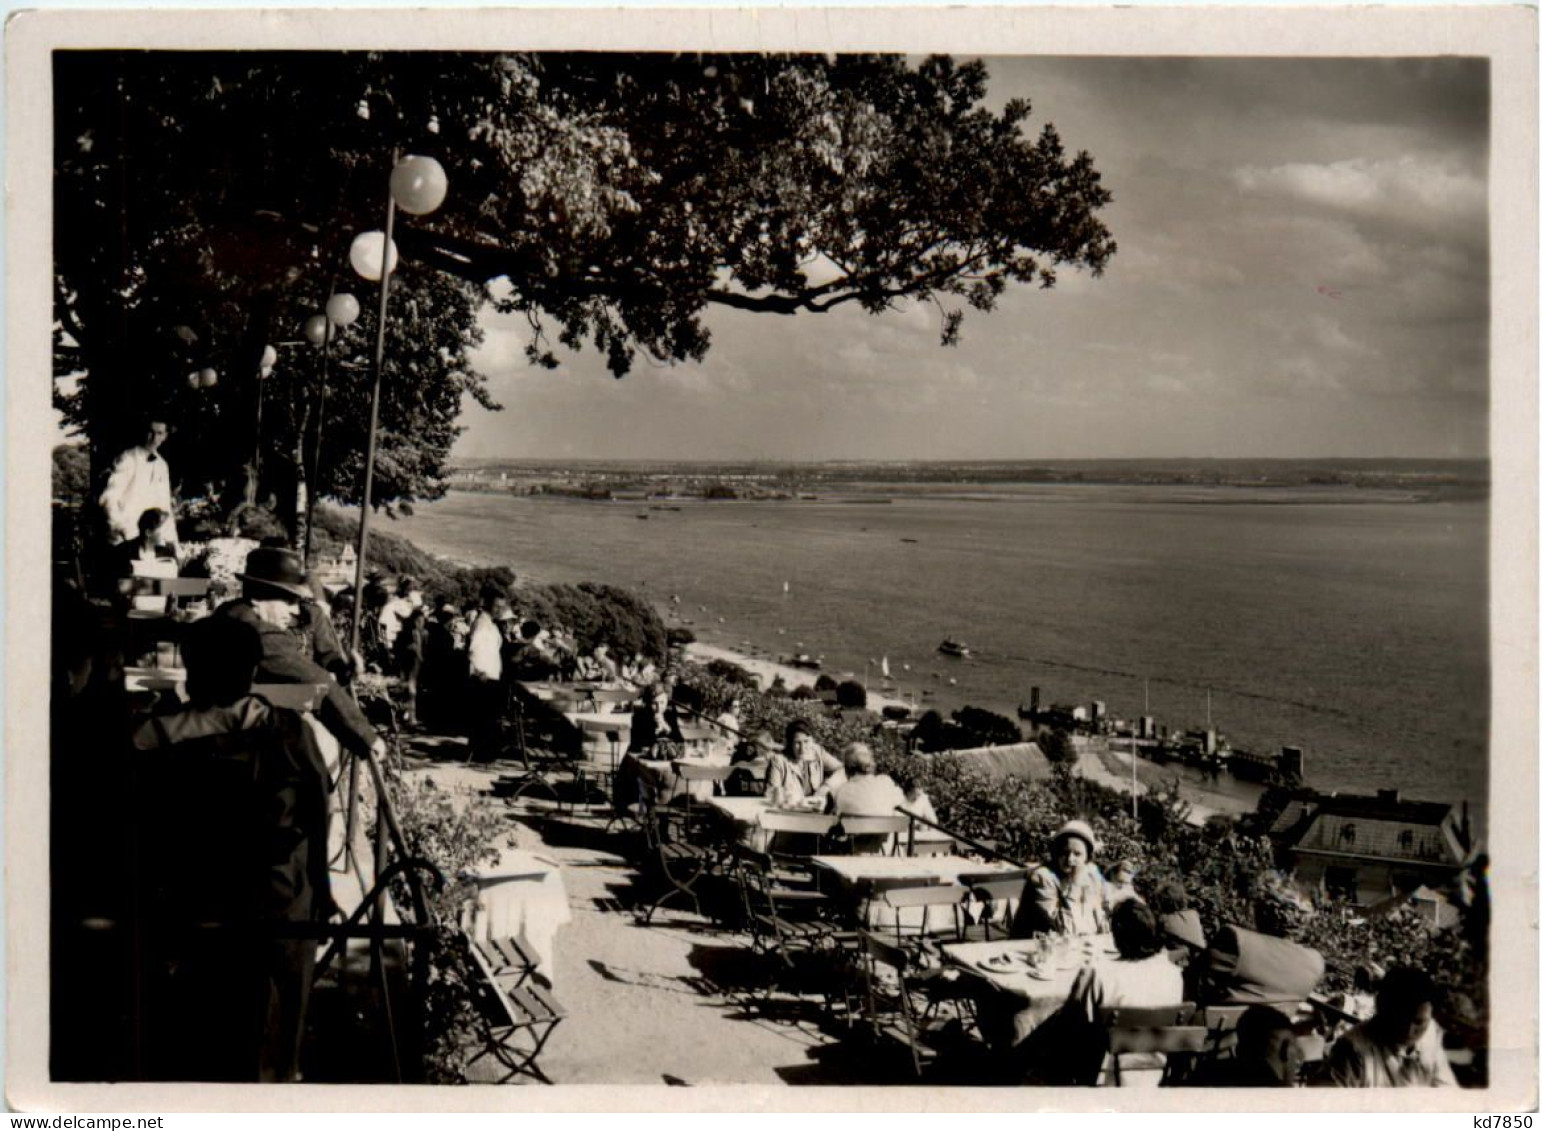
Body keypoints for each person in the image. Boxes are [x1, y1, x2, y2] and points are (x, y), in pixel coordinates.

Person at [129, 615, 330, 1082]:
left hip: (190, 899)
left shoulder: (152, 737)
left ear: (191, 672)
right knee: (277, 1012)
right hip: (275, 901)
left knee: (199, 1024)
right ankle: (282, 1072)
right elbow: (318, 816)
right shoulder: (290, 733)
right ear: (253, 672)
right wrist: (321, 889)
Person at [212, 547, 385, 766]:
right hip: (238, 739)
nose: (295, 611)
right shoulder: (260, 632)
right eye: (288, 601)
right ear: (259, 598)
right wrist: (368, 739)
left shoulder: (229, 612)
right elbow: (317, 681)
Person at [1023, 899, 1186, 1084]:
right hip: (1155, 1070)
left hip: (1105, 1072)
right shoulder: (1173, 973)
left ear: (1117, 937)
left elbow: (1075, 1024)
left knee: (1046, 1035)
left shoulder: (1099, 972)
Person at [1190, 873, 1325, 1006]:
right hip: (1275, 1025)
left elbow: (1193, 982)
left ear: (1261, 912)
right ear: (1303, 922)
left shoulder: (1236, 940)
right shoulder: (1315, 962)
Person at [1326, 966, 1457, 1087]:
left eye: (1419, 1022)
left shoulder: (1432, 1033)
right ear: (1381, 1006)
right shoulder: (1351, 1051)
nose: (1409, 1031)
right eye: (1400, 1019)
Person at [1012, 819, 1109, 938]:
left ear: (1087, 858)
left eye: (1077, 854)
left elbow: (1100, 911)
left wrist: (1103, 922)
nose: (1070, 859)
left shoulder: (1091, 874)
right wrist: (1075, 884)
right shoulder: (1043, 877)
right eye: (1064, 853)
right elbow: (1061, 929)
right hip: (1038, 947)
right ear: (1056, 853)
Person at [100, 418, 179, 552]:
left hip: (151, 542)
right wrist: (121, 527)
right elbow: (109, 498)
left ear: (165, 436)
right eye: (151, 432)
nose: (154, 438)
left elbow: (164, 506)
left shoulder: (162, 464)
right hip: (126, 539)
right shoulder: (128, 458)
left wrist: (173, 542)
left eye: (159, 433)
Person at [1188, 1005, 1304, 1087]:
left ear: (1239, 1049)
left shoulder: (1206, 1076)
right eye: (1298, 1050)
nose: (1301, 1056)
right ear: (1286, 1050)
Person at [465, 591, 507, 763]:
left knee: (487, 717)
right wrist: (479, 671)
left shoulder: (492, 624)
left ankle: (483, 752)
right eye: (497, 606)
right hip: (483, 675)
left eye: (502, 607)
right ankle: (481, 754)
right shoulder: (482, 623)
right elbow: (473, 648)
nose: (499, 610)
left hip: (491, 674)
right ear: (488, 604)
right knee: (483, 717)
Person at [765, 718, 846, 806]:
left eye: (806, 741)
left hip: (815, 810)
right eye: (797, 743)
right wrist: (790, 798)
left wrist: (827, 786)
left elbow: (843, 770)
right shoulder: (778, 760)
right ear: (790, 743)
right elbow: (771, 794)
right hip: (790, 812)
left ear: (812, 741)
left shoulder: (817, 752)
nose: (802, 748)